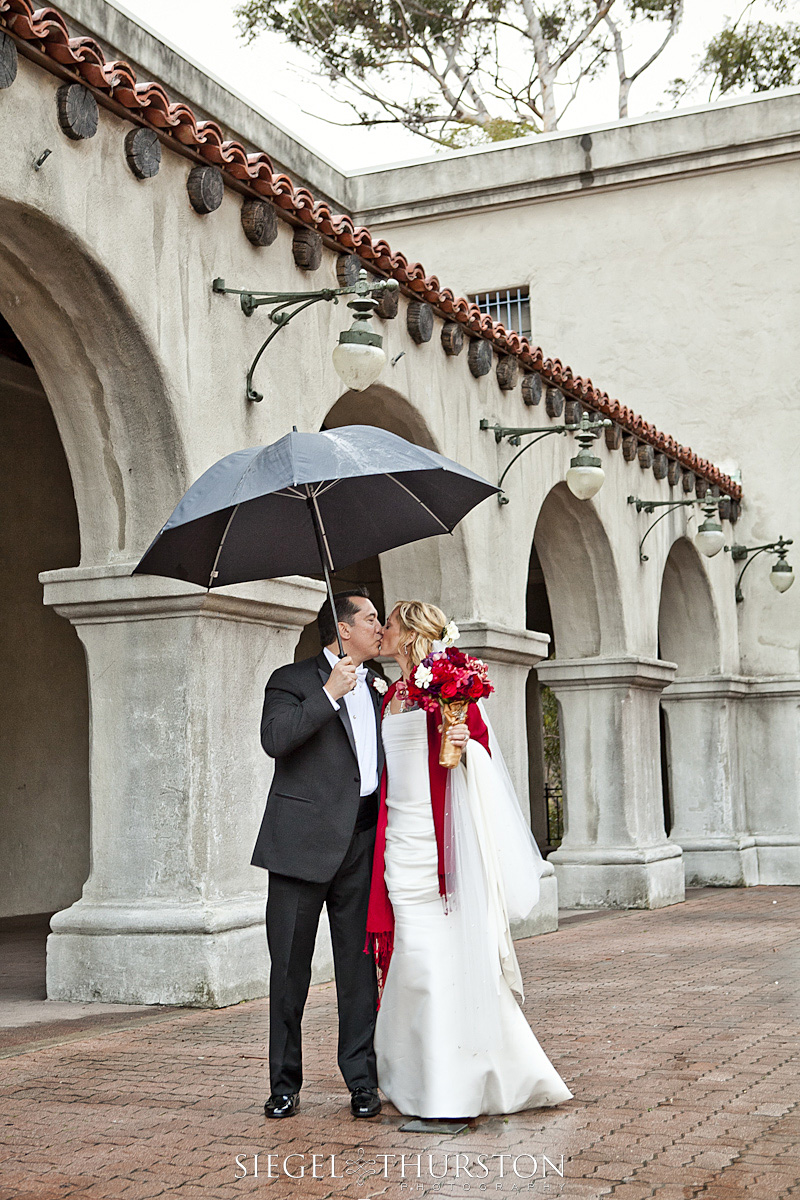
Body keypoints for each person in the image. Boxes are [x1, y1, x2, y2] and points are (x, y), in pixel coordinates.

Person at [367, 600, 573, 1118]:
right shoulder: (390, 694)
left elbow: (482, 757)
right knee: (411, 959)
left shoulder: (450, 690)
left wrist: (462, 740)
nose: (381, 631)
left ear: (409, 633)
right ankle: (416, 1072)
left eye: (387, 624)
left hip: (442, 844)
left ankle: (452, 1084)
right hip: (399, 844)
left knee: (434, 959)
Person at [252, 587, 386, 1120]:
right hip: (299, 849)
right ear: (344, 629)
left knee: (359, 973)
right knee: (289, 972)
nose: (380, 627)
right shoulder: (290, 681)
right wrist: (329, 693)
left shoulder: (382, 687)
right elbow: (275, 739)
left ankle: (362, 1082)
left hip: (361, 845)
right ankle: (284, 1084)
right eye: (372, 619)